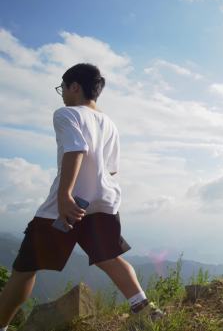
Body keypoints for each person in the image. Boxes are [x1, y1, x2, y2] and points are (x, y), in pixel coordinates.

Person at [0, 64, 163, 330]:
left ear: (74, 86)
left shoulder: (66, 114)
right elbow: (111, 168)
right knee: (109, 257)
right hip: (104, 202)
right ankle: (145, 309)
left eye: (62, 88)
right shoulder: (109, 123)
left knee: (25, 267)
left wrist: (65, 195)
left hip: (64, 206)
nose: (62, 94)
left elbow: (76, 149)